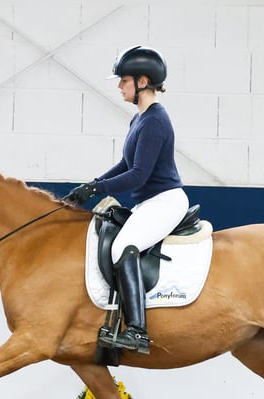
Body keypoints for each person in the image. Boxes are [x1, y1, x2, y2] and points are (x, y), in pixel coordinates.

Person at [70, 45, 189, 355]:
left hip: (165, 201)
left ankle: (137, 331)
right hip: (150, 201)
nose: (119, 86)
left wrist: (98, 190)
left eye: (123, 80)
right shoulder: (139, 119)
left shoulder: (155, 121)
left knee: (124, 247)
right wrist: (93, 184)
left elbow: (137, 175)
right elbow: (125, 165)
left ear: (143, 82)